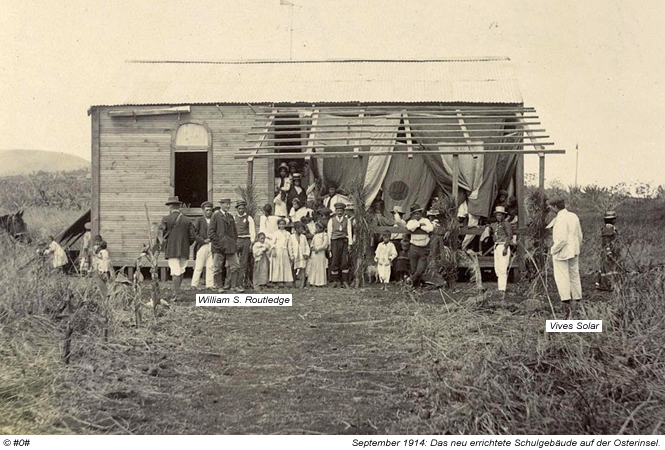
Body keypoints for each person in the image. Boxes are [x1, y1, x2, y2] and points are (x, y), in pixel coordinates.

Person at [548, 197, 584, 317]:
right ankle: (577, 301)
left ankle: (566, 305)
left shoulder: (560, 219)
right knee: (574, 275)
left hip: (562, 252)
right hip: (573, 251)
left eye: (551, 207)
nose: (550, 208)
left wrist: (553, 250)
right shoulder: (573, 216)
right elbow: (579, 235)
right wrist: (576, 247)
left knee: (562, 277)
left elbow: (562, 239)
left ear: (555, 207)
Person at [160, 196, 192, 296]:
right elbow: (193, 236)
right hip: (184, 249)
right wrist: (186, 243)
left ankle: (176, 293)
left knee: (175, 271)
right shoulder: (187, 220)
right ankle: (178, 291)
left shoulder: (165, 219)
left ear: (170, 207)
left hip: (172, 249)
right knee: (181, 270)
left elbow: (162, 236)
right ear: (179, 206)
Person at [209, 198, 241, 292]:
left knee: (235, 266)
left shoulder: (230, 216)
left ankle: (233, 286)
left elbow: (234, 232)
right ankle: (219, 287)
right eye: (226, 204)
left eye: (229, 204)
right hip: (218, 247)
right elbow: (211, 232)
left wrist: (233, 241)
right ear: (221, 204)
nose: (228, 206)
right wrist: (219, 242)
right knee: (217, 267)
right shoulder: (215, 216)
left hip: (230, 246)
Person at [483, 206, 513, 299]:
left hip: (503, 245)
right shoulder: (495, 224)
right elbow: (489, 225)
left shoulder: (506, 224)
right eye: (497, 215)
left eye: (500, 215)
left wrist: (506, 247)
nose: (499, 217)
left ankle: (502, 289)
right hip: (496, 246)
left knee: (503, 268)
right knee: (498, 269)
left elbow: (509, 236)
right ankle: (500, 288)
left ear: (504, 215)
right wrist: (488, 226)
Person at [406, 204, 434, 288]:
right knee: (413, 269)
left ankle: (410, 280)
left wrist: (422, 226)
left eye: (418, 213)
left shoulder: (425, 220)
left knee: (420, 270)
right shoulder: (411, 222)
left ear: (421, 213)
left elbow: (430, 228)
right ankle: (415, 287)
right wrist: (419, 225)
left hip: (423, 248)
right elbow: (409, 227)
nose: (417, 215)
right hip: (414, 247)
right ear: (412, 215)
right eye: (415, 213)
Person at [327, 203, 353, 288]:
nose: (339, 212)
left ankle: (345, 281)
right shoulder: (331, 220)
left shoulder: (347, 220)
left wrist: (350, 244)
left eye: (341, 211)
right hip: (334, 241)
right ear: (335, 211)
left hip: (344, 241)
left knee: (344, 260)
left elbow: (349, 232)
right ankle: (335, 281)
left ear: (344, 211)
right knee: (335, 260)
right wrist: (329, 244)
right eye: (338, 211)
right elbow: (329, 233)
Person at [191, 201, 215, 290]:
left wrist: (213, 240)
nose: (208, 212)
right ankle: (194, 284)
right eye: (207, 210)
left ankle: (209, 285)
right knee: (198, 266)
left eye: (210, 210)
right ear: (203, 211)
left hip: (212, 245)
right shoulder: (199, 220)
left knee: (210, 266)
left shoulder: (214, 220)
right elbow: (194, 233)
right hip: (202, 245)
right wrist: (203, 241)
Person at [596, 210, 619, 291]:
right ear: (612, 220)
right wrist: (609, 252)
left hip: (612, 251)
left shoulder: (611, 228)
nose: (615, 220)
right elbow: (606, 242)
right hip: (609, 253)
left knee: (609, 268)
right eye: (614, 219)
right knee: (607, 268)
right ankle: (607, 285)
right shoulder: (608, 229)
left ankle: (608, 284)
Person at [235, 200, 256, 291]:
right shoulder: (233, 217)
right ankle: (233, 283)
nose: (241, 210)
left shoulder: (249, 218)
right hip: (237, 240)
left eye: (242, 208)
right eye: (239, 208)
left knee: (244, 262)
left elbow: (252, 231)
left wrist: (252, 242)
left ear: (245, 208)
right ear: (237, 209)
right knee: (234, 262)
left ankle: (240, 283)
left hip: (246, 240)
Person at [269, 218, 293, 286]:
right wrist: (273, 250)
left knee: (284, 265)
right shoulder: (276, 233)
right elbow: (273, 243)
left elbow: (289, 245)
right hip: (277, 250)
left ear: (285, 225)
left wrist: (291, 255)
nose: (282, 225)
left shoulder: (288, 234)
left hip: (284, 251)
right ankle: (277, 280)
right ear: (278, 225)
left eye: (283, 224)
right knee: (277, 265)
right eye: (280, 224)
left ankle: (284, 280)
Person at [307, 221, 328, 287]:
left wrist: (318, 249)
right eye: (316, 228)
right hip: (314, 253)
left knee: (320, 266)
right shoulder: (315, 235)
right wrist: (313, 247)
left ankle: (320, 282)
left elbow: (325, 245)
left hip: (321, 253)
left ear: (322, 228)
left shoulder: (325, 235)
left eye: (318, 228)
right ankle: (313, 281)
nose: (317, 229)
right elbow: (312, 243)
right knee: (314, 266)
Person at [290, 222, 310, 288]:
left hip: (302, 254)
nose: (302, 230)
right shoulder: (291, 237)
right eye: (300, 229)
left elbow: (306, 245)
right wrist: (291, 256)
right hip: (295, 255)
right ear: (296, 229)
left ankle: (302, 284)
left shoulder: (303, 237)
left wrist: (306, 253)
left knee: (303, 269)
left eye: (302, 229)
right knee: (294, 269)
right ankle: (293, 283)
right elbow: (290, 247)